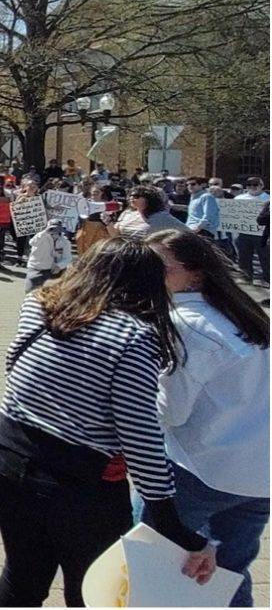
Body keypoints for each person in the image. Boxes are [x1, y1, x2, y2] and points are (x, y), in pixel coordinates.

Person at [0, 238, 216, 607]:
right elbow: (140, 435)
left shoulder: (39, 304)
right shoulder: (134, 336)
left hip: (7, 459)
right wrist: (175, 528)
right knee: (93, 589)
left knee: (22, 575)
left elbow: (14, 366)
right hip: (78, 488)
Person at [143, 231, 269, 607]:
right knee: (229, 574)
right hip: (259, 475)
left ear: (194, 273)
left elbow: (171, 412)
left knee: (155, 562)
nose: (145, 276)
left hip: (199, 469)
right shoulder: (244, 314)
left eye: (157, 269)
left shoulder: (183, 323)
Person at [109, 184, 189, 239]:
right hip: (125, 255)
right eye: (130, 196)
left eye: (136, 196)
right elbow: (116, 236)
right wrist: (108, 222)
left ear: (149, 199)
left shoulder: (161, 217)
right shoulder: (127, 214)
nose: (132, 198)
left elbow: (188, 232)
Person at [234, 177, 269, 285]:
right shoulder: (239, 199)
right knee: (244, 257)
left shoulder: (268, 198)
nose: (252, 187)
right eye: (249, 185)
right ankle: (246, 280)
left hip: (263, 234)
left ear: (262, 186)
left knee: (266, 258)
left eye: (255, 185)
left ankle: (268, 280)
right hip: (243, 233)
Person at [23, 218, 72, 293]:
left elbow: (67, 258)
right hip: (36, 269)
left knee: (51, 296)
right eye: (52, 228)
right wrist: (45, 232)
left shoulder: (65, 242)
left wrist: (59, 266)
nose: (55, 230)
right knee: (29, 291)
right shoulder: (40, 237)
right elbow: (32, 243)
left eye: (58, 228)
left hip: (53, 271)